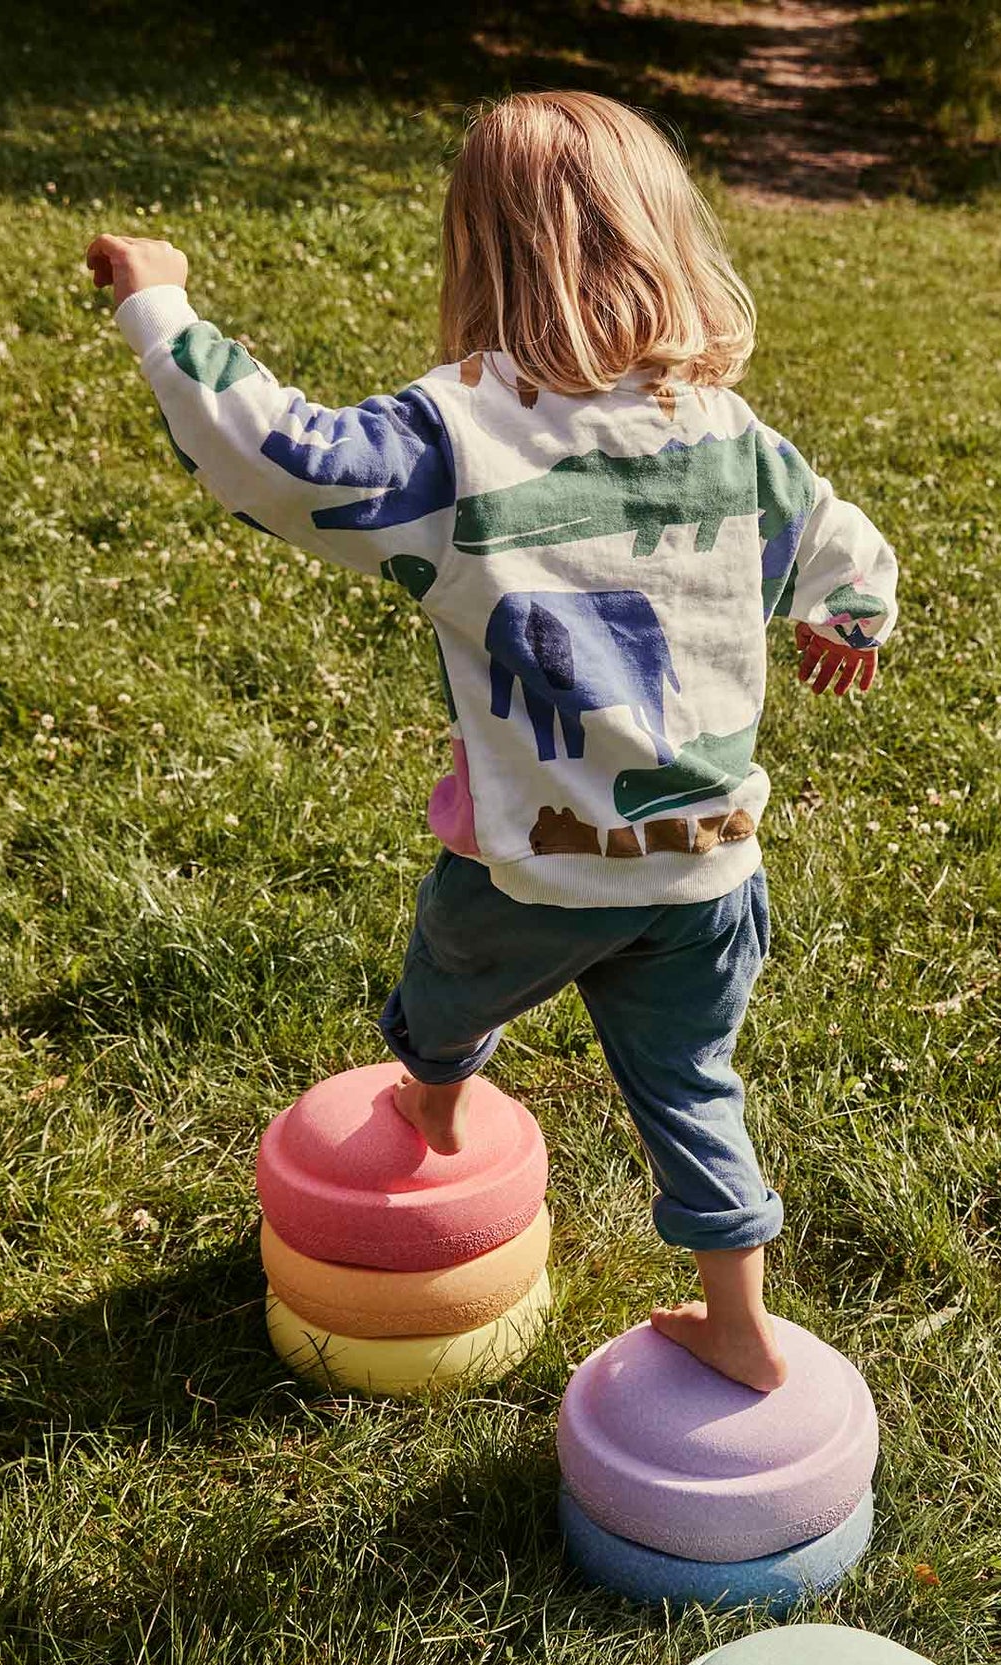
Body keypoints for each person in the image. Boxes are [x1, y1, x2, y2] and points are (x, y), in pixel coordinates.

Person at [87, 90, 897, 1392]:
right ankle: (739, 1325)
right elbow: (837, 536)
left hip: (535, 869)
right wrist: (851, 618)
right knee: (692, 1085)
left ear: (478, 250)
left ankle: (438, 1103)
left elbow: (269, 456)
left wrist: (160, 302)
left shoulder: (459, 436)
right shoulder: (726, 433)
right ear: (667, 243)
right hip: (706, 867)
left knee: (446, 987)